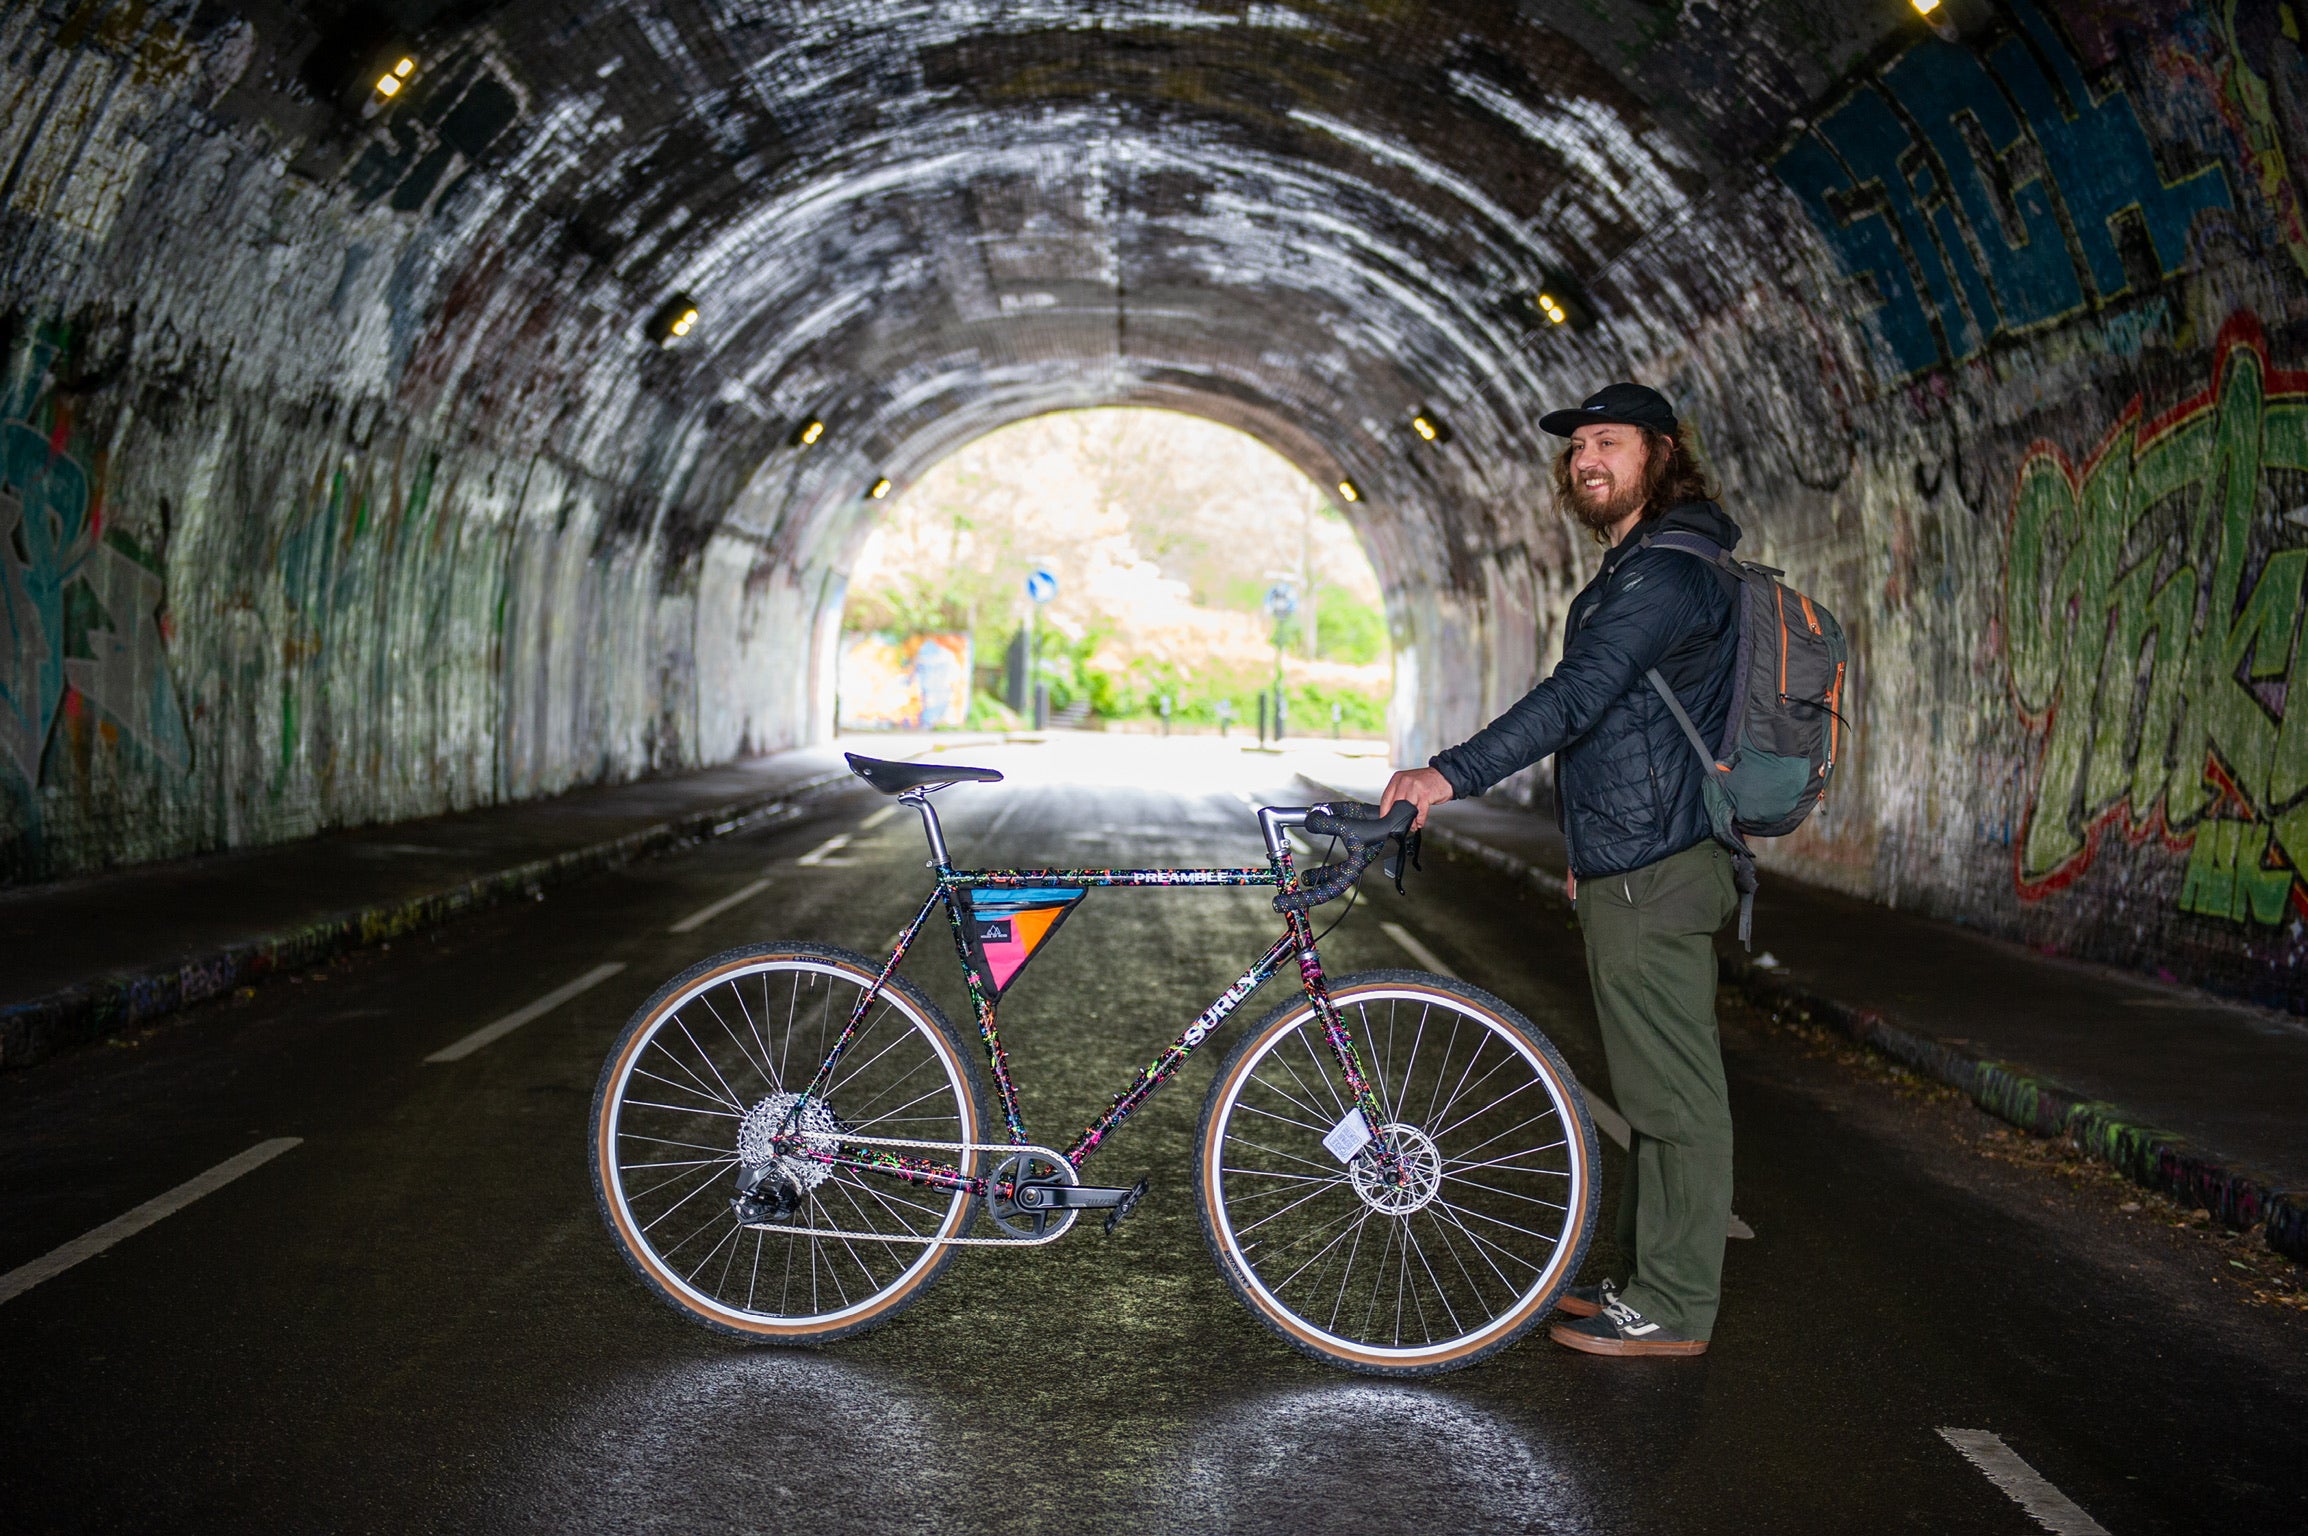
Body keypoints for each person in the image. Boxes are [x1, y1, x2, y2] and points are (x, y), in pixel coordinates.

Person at [1380, 382, 1741, 1359]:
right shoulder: (1642, 565)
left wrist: (1447, 773)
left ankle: (1672, 1306)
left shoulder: (1664, 574)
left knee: (1676, 1097)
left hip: (1659, 867)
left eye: (1609, 442)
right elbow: (1619, 727)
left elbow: (1579, 698)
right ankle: (1640, 1283)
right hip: (1636, 857)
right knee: (1652, 1087)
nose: (1587, 457)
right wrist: (1589, 851)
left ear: (1660, 453)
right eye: (1579, 444)